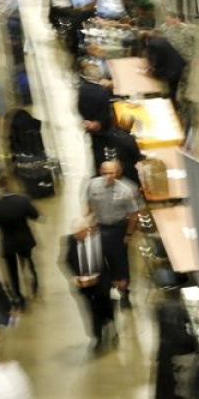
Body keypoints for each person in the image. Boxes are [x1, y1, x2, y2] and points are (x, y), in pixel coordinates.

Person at [86, 160, 139, 309]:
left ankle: (124, 293)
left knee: (120, 262)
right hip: (100, 227)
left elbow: (134, 215)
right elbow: (89, 204)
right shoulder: (93, 185)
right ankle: (107, 289)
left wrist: (128, 234)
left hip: (117, 229)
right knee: (100, 261)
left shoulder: (125, 191)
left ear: (118, 173)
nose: (108, 176)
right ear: (100, 172)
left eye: (112, 173)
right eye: (105, 173)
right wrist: (88, 222)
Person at [0, 174, 40, 307]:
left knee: (11, 271)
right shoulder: (22, 200)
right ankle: (34, 287)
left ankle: (18, 298)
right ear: (10, 183)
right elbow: (35, 215)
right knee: (28, 263)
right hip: (25, 240)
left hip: (7, 243)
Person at [61, 218, 115, 352]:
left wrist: (116, 279)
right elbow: (66, 260)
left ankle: (111, 324)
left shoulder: (101, 239)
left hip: (102, 282)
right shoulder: (70, 240)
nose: (76, 236)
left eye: (79, 233)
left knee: (107, 306)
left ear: (87, 230)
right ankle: (98, 337)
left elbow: (113, 258)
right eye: (75, 234)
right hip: (84, 287)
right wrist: (76, 278)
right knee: (91, 311)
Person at [153, 293, 199, 399]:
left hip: (167, 356)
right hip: (178, 363)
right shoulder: (180, 332)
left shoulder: (164, 312)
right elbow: (188, 341)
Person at [101, 115, 145, 186]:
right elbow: (136, 157)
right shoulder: (129, 139)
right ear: (131, 125)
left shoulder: (109, 133)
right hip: (126, 170)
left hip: (110, 165)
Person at [144, 33, 187, 104]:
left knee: (164, 83)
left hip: (171, 69)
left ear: (146, 40)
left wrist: (151, 70)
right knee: (173, 88)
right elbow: (161, 56)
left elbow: (157, 60)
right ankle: (173, 102)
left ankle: (168, 102)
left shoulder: (152, 44)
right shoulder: (161, 40)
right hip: (179, 65)